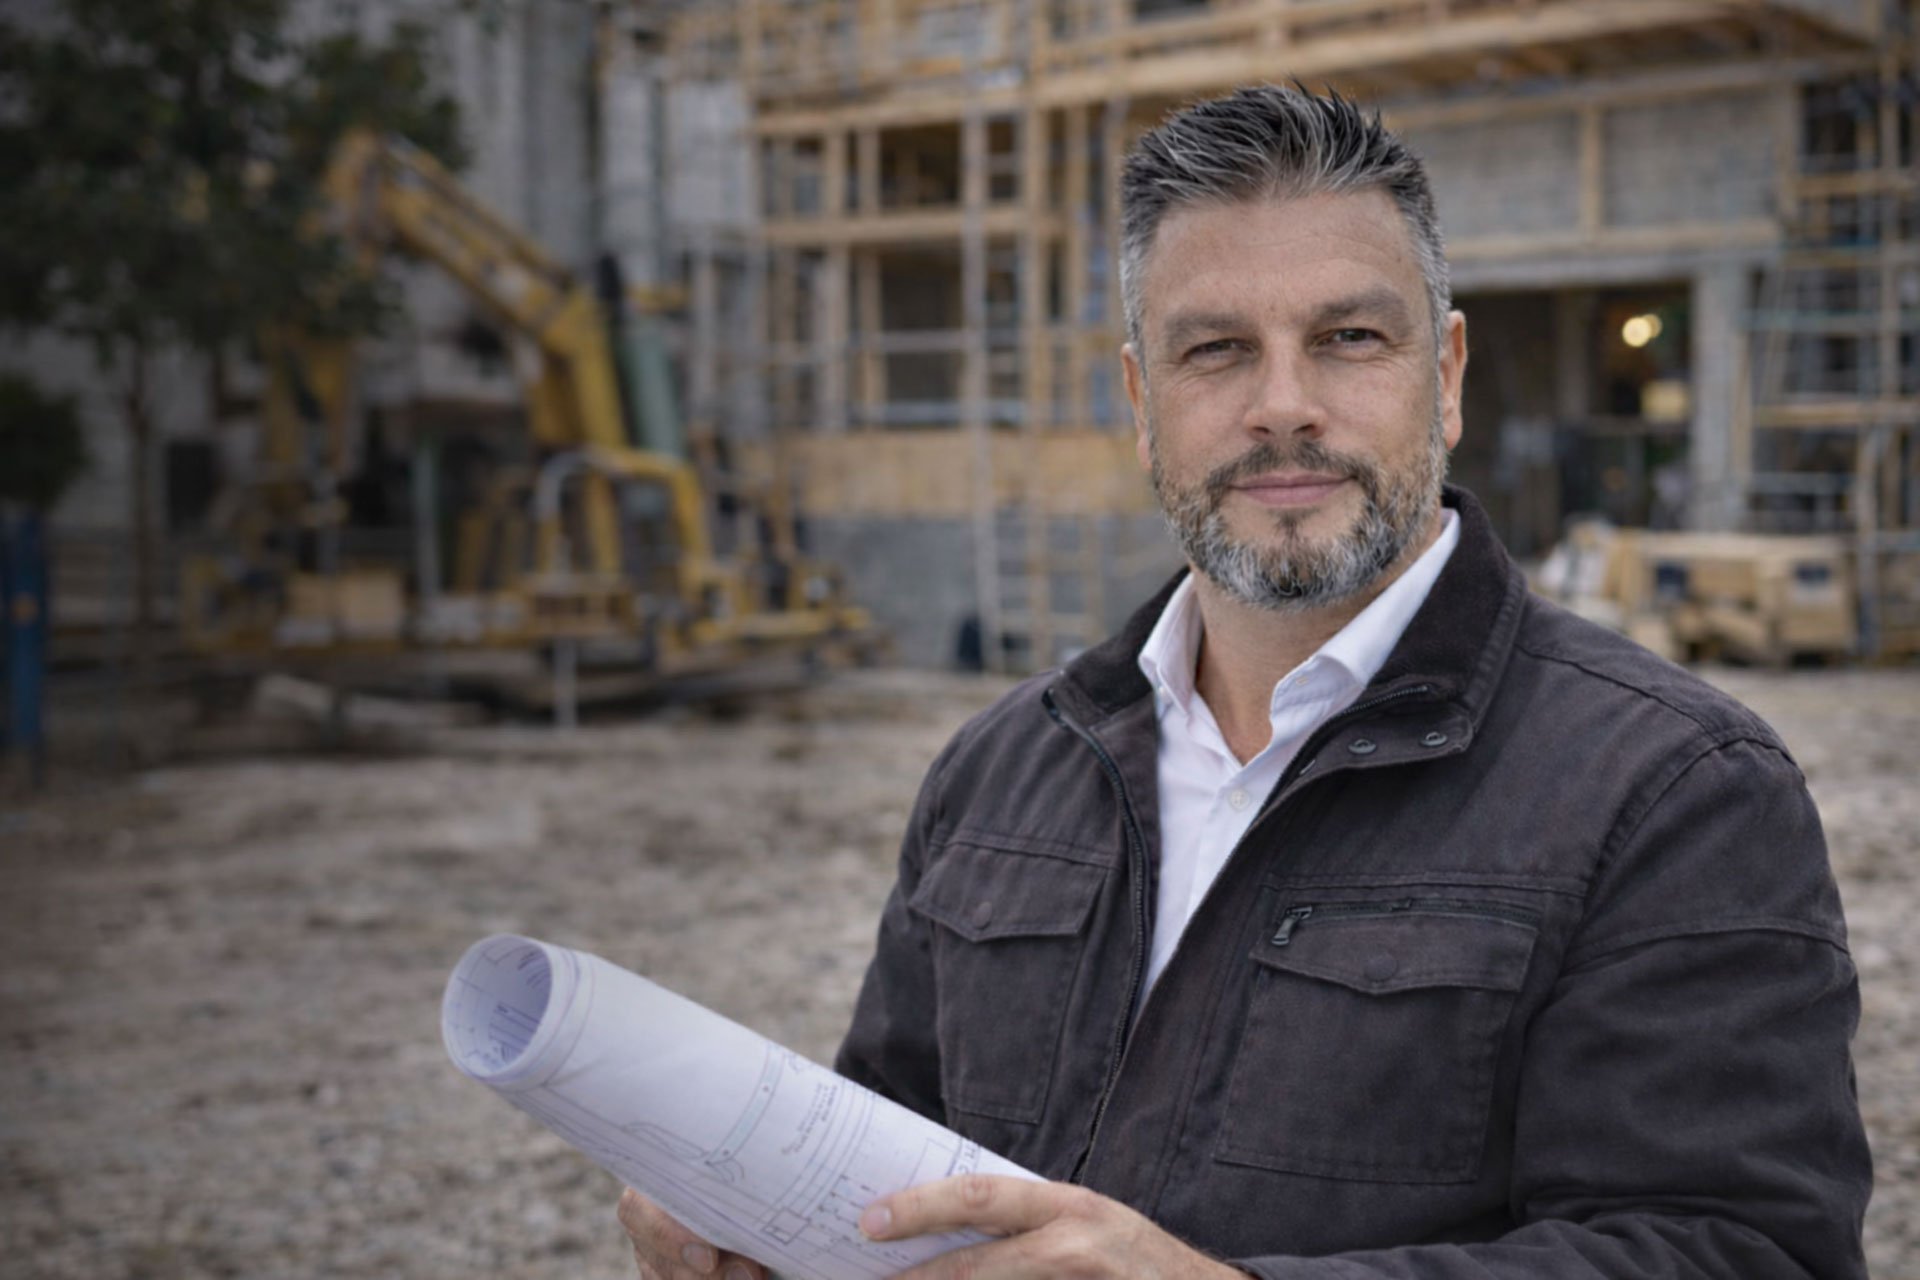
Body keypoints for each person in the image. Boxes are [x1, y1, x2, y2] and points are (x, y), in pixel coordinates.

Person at [621, 84, 1871, 1278]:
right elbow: (898, 1170)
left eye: (1348, 339)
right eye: (1215, 350)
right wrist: (773, 1226)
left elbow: (1743, 1251)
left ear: (1443, 373)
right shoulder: (1002, 770)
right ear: (1139, 399)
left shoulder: (1674, 793)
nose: (1284, 406)